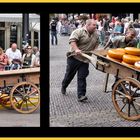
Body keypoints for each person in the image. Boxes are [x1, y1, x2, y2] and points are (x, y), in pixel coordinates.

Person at [61, 19, 99, 102]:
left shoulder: (96, 34)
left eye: (96, 25)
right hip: (74, 57)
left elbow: (97, 42)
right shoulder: (78, 31)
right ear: (88, 25)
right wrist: (76, 49)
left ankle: (81, 95)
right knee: (69, 75)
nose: (95, 27)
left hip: (85, 59)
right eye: (94, 25)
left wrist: (95, 50)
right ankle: (64, 86)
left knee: (82, 77)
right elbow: (72, 41)